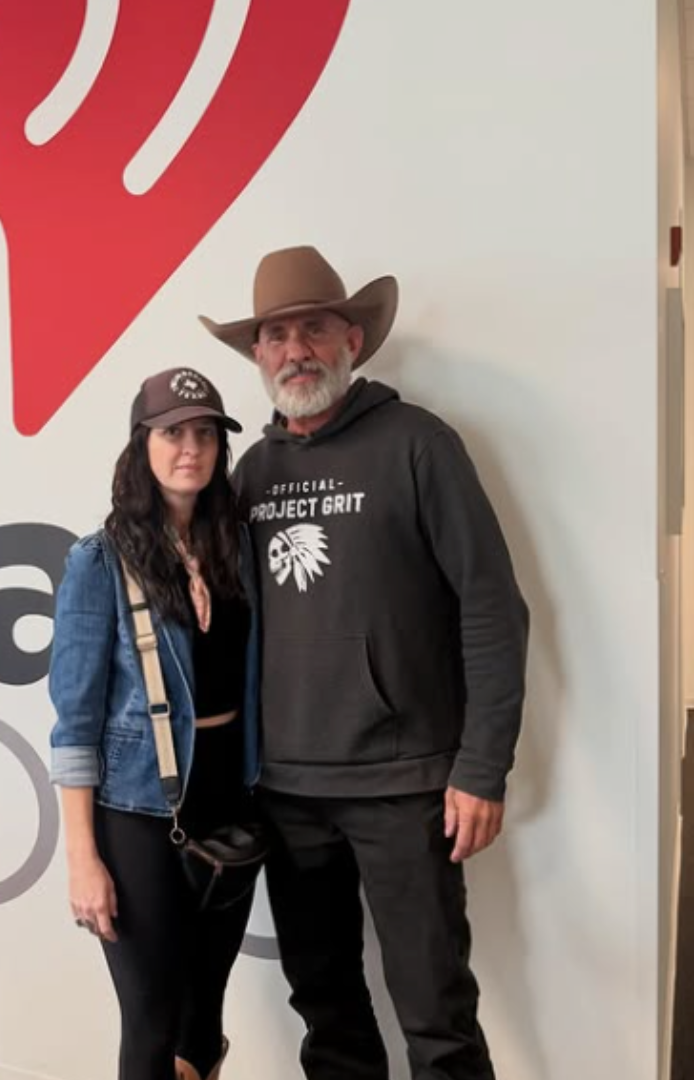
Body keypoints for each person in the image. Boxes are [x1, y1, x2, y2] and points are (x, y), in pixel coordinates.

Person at [199, 246, 530, 1080]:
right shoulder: (252, 472)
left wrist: (482, 767)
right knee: (327, 1011)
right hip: (286, 794)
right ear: (258, 354)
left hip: (404, 787)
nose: (296, 350)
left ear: (351, 338)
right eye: (276, 336)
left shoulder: (419, 445)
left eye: (314, 328)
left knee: (436, 1015)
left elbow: (493, 608)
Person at [48, 367, 261, 1080]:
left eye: (205, 433)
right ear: (142, 444)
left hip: (230, 804)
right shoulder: (99, 561)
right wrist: (82, 858)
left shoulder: (238, 548)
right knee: (150, 1022)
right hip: (138, 815)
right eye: (172, 432)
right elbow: (75, 724)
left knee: (202, 1021)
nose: (190, 448)